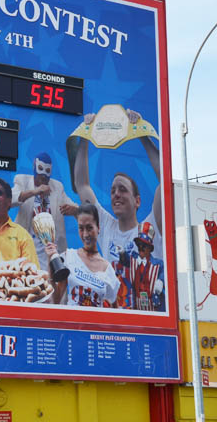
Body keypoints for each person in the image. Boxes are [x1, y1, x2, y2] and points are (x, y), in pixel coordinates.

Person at [68, 110, 163, 309]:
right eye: (112, 191)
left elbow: (165, 178)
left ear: (137, 201)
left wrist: (141, 133)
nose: (116, 194)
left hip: (148, 315)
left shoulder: (151, 226)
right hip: (115, 315)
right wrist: (85, 135)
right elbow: (82, 185)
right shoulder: (106, 227)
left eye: (122, 190)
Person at [46, 204, 118, 307]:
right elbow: (55, 300)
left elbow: (115, 308)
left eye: (89, 228)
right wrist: (50, 262)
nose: (85, 234)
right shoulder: (69, 257)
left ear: (98, 228)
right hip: (72, 317)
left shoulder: (107, 269)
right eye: (81, 228)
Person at [14, 153, 77, 267]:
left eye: (46, 173)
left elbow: (74, 207)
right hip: (27, 249)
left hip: (51, 251)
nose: (43, 177)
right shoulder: (22, 180)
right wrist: (35, 191)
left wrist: (75, 210)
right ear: (34, 167)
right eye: (40, 172)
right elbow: (10, 199)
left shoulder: (57, 187)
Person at [128, 222, 165, 311]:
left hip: (154, 309)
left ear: (149, 248)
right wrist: (122, 253)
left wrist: (160, 281)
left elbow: (165, 273)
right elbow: (124, 260)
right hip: (137, 308)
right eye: (139, 244)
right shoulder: (133, 259)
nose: (141, 247)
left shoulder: (158, 264)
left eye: (144, 245)